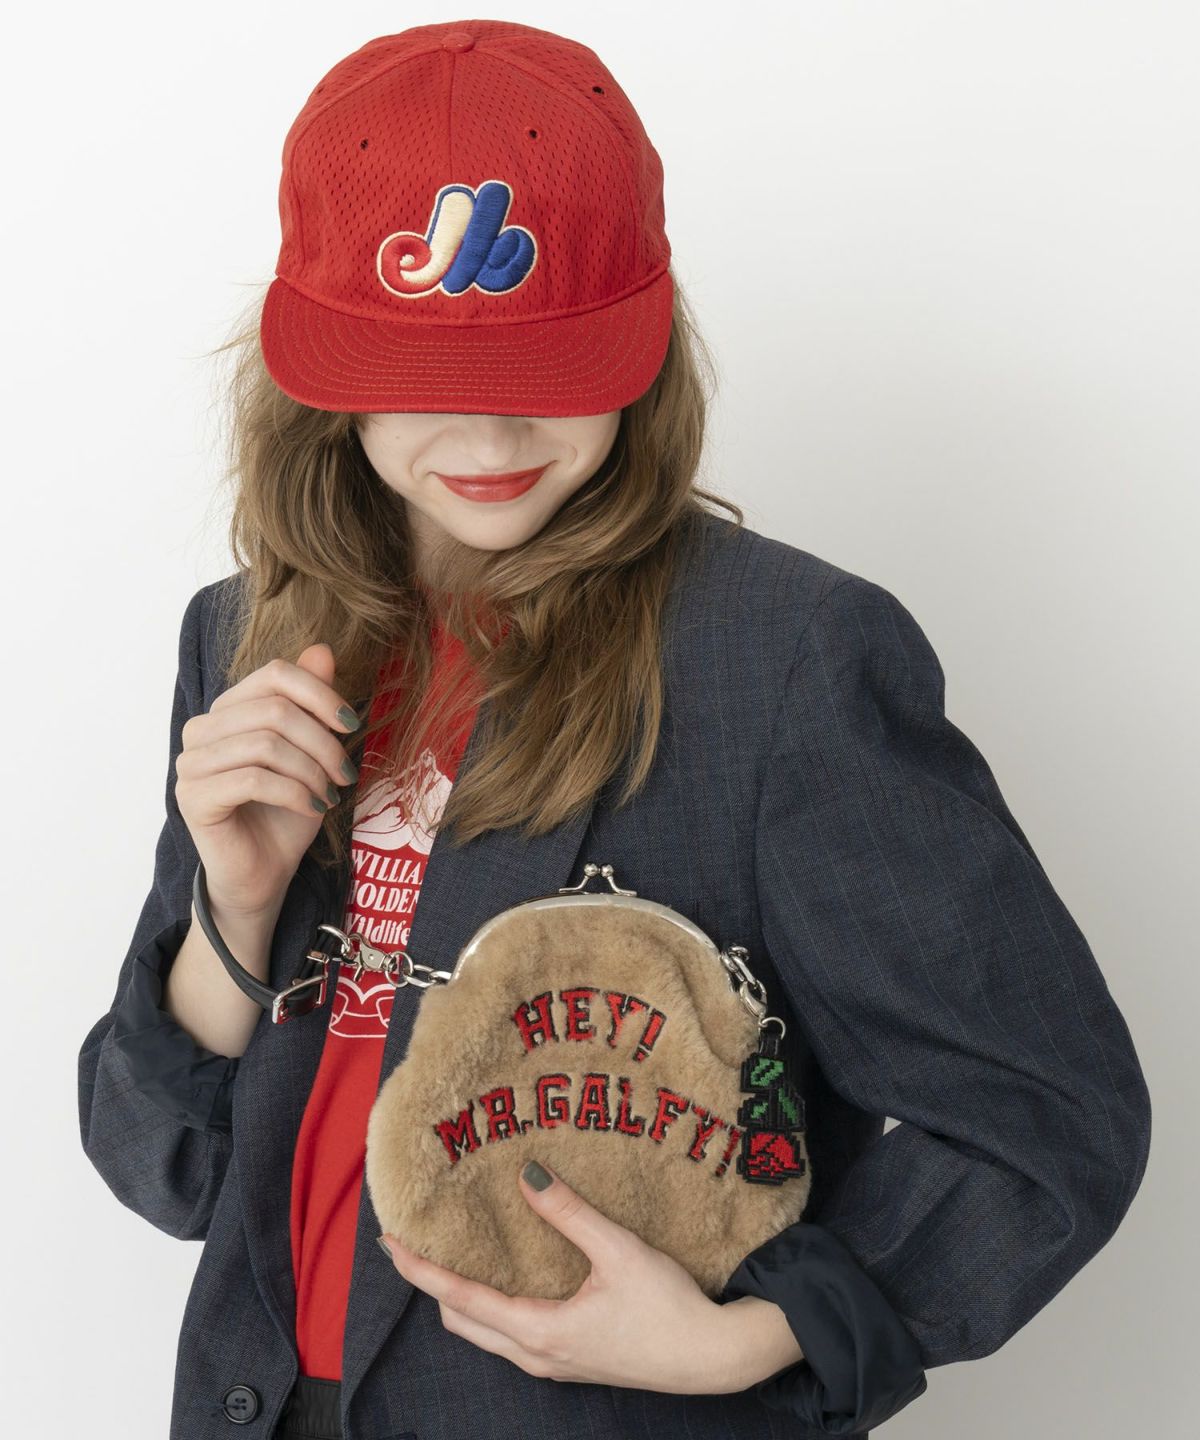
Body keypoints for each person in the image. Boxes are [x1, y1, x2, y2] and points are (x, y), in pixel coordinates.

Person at [76, 18, 1152, 1440]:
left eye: (547, 364)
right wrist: (236, 909)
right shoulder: (243, 635)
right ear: (323, 372)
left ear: (642, 340)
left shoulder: (785, 659)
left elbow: (1047, 1115)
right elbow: (167, 1170)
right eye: (426, 369)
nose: (492, 436)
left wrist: (754, 1338)